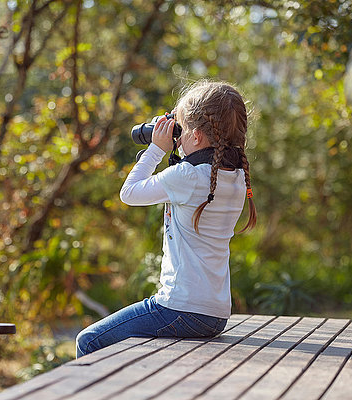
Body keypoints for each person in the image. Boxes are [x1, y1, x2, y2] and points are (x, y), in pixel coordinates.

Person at [75, 80, 257, 358]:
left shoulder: (188, 176)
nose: (177, 136)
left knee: (88, 340)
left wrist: (157, 149)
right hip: (216, 313)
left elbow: (129, 193)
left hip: (180, 307)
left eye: (180, 129)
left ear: (196, 136)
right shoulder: (234, 176)